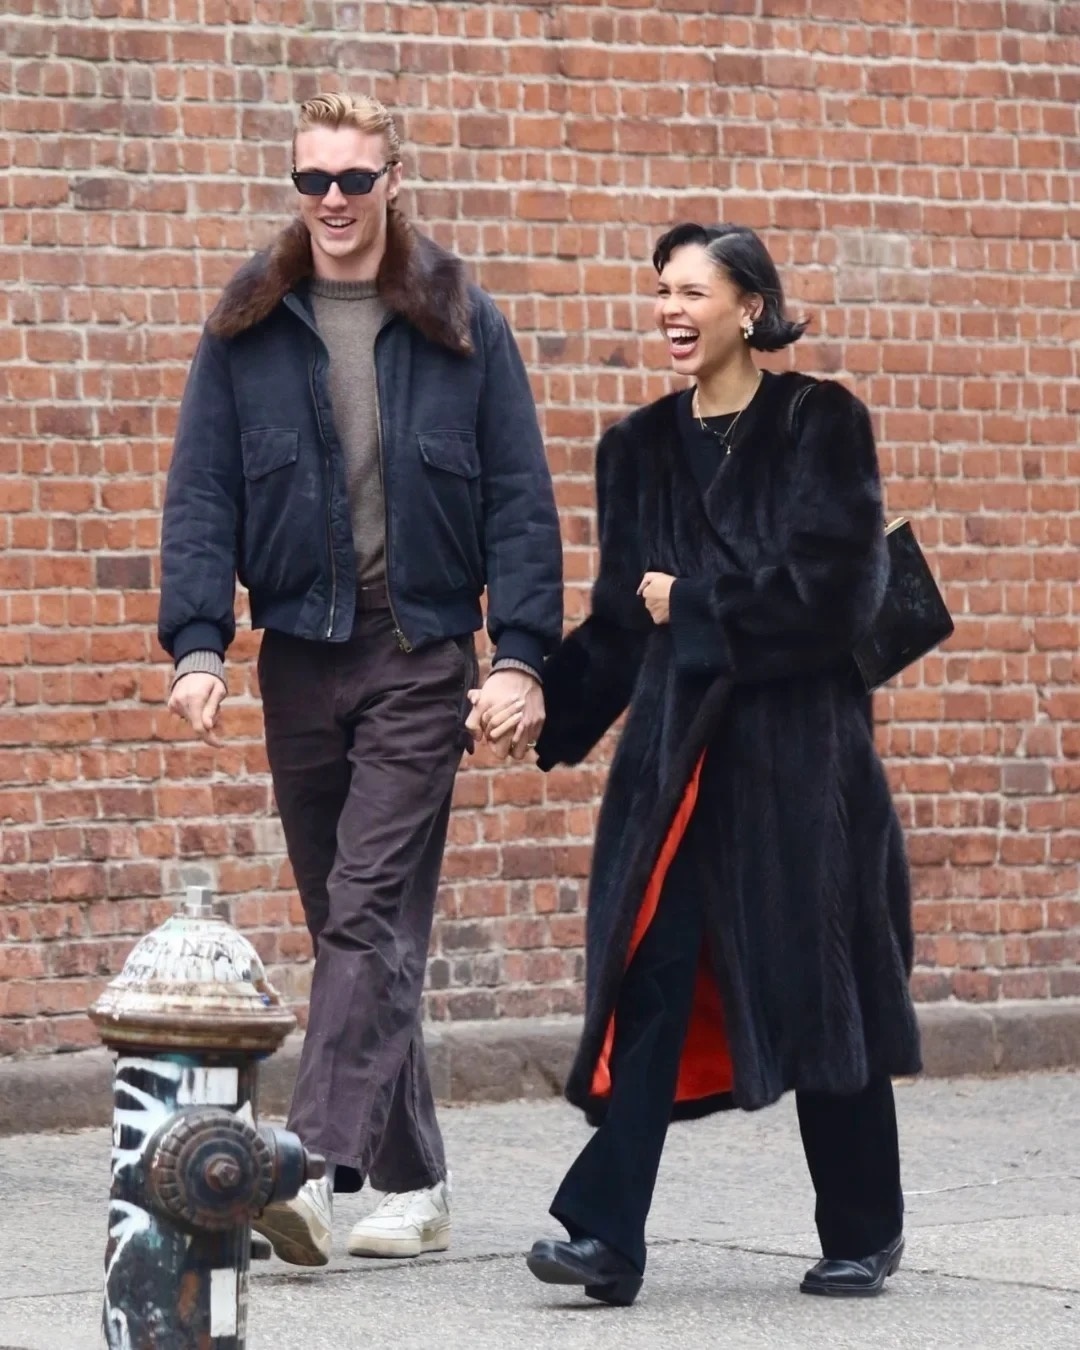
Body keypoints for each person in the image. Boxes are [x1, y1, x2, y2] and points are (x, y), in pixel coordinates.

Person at [476, 222, 921, 1307]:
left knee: (824, 982)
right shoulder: (635, 448)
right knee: (654, 975)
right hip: (677, 768)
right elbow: (622, 625)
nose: (670, 311)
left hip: (803, 763)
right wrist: (537, 698)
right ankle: (607, 1237)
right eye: (662, 292)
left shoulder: (821, 422)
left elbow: (838, 598)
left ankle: (864, 1228)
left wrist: (700, 602)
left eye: (692, 292)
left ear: (750, 307)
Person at [159, 92, 563, 1266]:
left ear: (395, 180)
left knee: (369, 908)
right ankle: (418, 1179)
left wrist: (520, 656)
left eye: (352, 178)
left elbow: (519, 500)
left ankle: (302, 1167)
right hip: (299, 655)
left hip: (419, 651)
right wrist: (198, 644)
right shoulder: (248, 323)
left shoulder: (460, 320)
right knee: (351, 925)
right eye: (312, 181)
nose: (331, 201)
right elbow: (202, 492)